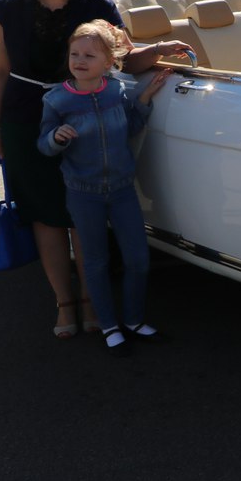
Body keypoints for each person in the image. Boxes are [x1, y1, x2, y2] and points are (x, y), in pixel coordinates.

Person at [0, 0, 192, 338]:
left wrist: (158, 50)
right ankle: (65, 301)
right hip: (27, 118)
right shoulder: (8, 7)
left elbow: (124, 58)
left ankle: (90, 298)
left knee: (83, 215)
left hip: (88, 117)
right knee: (46, 216)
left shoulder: (96, 4)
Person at [38, 20, 171, 355]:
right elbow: (43, 144)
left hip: (123, 189)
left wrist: (146, 96)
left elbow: (132, 126)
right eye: (75, 54)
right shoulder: (57, 101)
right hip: (83, 192)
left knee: (138, 259)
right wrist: (56, 137)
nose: (80, 61)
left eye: (89, 55)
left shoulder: (117, 91)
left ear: (110, 62)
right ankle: (109, 325)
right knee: (95, 262)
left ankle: (135, 320)